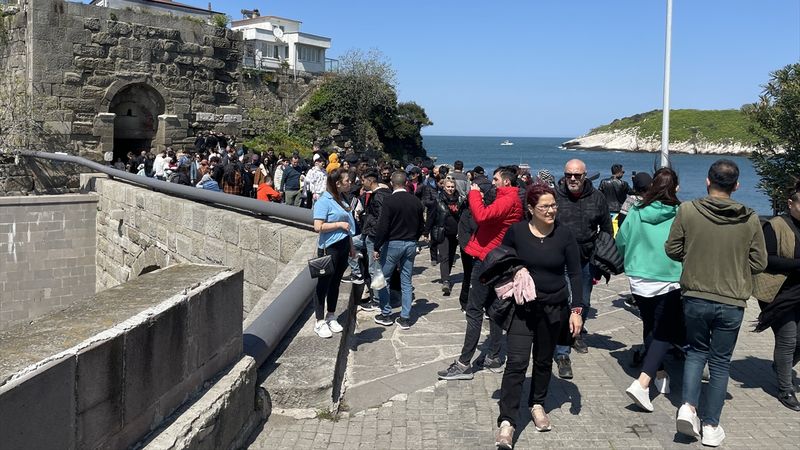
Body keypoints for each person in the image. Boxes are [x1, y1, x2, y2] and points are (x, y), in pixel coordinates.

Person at [665, 159, 767, 447]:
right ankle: (711, 425)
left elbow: (672, 248)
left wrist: (695, 255)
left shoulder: (688, 210)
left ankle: (688, 407)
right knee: (721, 363)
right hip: (732, 298)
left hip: (696, 294)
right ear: (736, 185)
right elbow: (760, 261)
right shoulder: (750, 218)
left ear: (708, 181)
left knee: (696, 353)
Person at [495, 183, 584, 448]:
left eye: (553, 205)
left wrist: (577, 310)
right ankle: (507, 422)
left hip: (554, 308)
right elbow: (502, 260)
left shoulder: (564, 235)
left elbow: (576, 274)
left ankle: (537, 404)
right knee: (517, 364)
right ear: (531, 208)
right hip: (523, 309)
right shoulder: (517, 232)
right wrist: (518, 270)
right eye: (544, 206)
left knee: (544, 362)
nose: (550, 210)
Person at [438, 167, 523, 380]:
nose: (492, 183)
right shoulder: (506, 197)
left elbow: (483, 217)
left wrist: (474, 193)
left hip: (487, 260)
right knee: (493, 309)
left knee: (474, 310)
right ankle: (494, 356)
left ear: (506, 182)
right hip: (494, 259)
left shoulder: (508, 199)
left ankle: (464, 364)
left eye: (495, 180)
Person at [616, 168, 683, 412]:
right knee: (665, 329)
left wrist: (631, 260)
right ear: (675, 187)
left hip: (639, 276)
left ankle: (660, 372)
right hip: (669, 276)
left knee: (650, 324)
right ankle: (645, 381)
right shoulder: (680, 212)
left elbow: (621, 240)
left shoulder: (636, 211)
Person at [552, 159, 612, 378]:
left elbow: (606, 229)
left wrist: (603, 256)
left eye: (577, 175)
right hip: (559, 260)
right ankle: (562, 353)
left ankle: (575, 333)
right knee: (567, 304)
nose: (573, 179)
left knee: (583, 303)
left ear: (585, 175)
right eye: (569, 175)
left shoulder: (597, 198)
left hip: (586, 259)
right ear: (564, 175)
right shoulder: (555, 196)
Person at [753, 180, 800, 411]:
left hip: (799, 292)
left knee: (798, 341)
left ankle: (782, 365)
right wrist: (797, 265)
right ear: (791, 203)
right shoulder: (775, 226)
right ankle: (785, 388)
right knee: (788, 338)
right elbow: (766, 259)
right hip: (778, 293)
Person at [372, 171, 425, 329]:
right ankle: (405, 317)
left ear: (392, 183)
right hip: (410, 243)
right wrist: (415, 240)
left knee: (384, 279)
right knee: (406, 281)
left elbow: (383, 226)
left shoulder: (389, 201)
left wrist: (376, 246)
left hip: (393, 244)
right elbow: (421, 225)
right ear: (405, 182)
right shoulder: (415, 201)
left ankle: (386, 313)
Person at [311, 168, 356, 338]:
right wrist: (338, 225)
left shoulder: (342, 199)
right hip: (329, 247)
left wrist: (351, 246)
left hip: (343, 246)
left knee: (336, 282)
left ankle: (331, 314)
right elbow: (318, 226)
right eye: (346, 181)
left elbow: (348, 226)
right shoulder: (324, 200)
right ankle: (319, 320)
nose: (349, 183)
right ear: (337, 183)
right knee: (323, 284)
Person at [353, 170, 391, 310]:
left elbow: (381, 217)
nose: (362, 183)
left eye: (364, 180)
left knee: (374, 268)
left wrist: (373, 233)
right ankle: (357, 272)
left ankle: (376, 300)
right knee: (350, 243)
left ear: (370, 181)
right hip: (371, 235)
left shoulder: (378, 196)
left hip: (373, 236)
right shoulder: (386, 193)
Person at [431, 179, 465, 295]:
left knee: (450, 256)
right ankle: (446, 281)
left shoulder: (460, 200)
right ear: (444, 187)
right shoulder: (438, 199)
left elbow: (463, 216)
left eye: (452, 187)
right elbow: (432, 216)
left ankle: (447, 274)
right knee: (444, 256)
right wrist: (426, 231)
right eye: (448, 187)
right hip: (443, 232)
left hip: (455, 233)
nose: (450, 189)